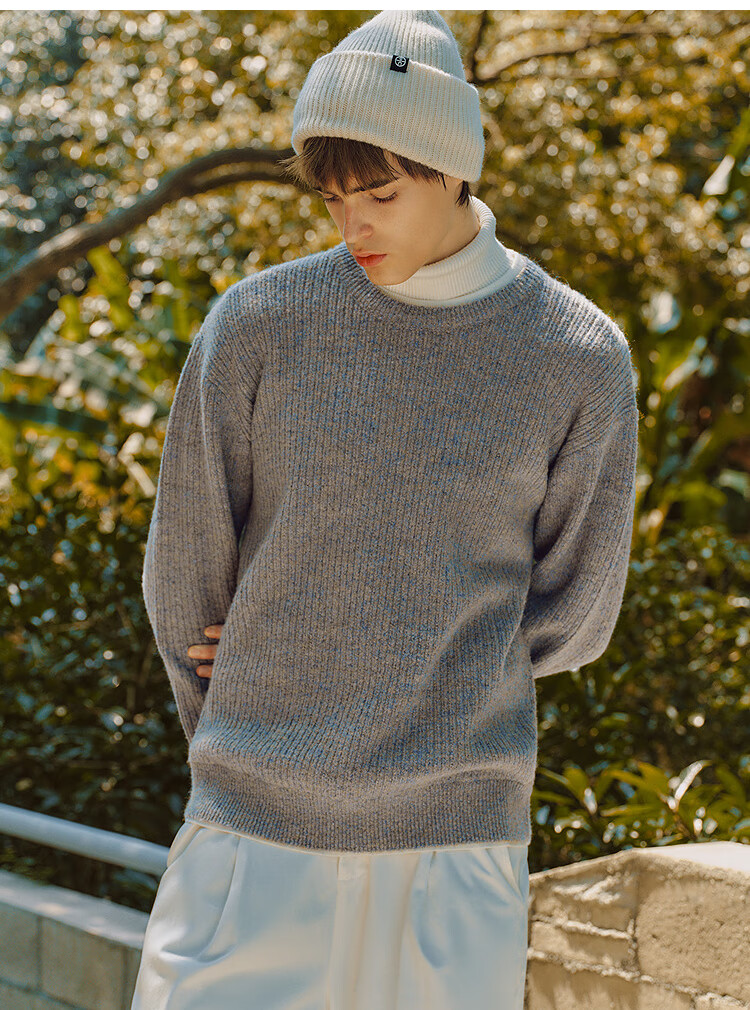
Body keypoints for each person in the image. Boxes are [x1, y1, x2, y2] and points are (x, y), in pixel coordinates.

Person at [131, 10, 639, 1010]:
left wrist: (403, 662)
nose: (351, 225)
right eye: (333, 196)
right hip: (249, 836)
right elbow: (183, 577)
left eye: (380, 192)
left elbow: (578, 611)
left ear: (454, 171)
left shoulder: (578, 355)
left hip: (454, 853)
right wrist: (262, 713)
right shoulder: (258, 325)